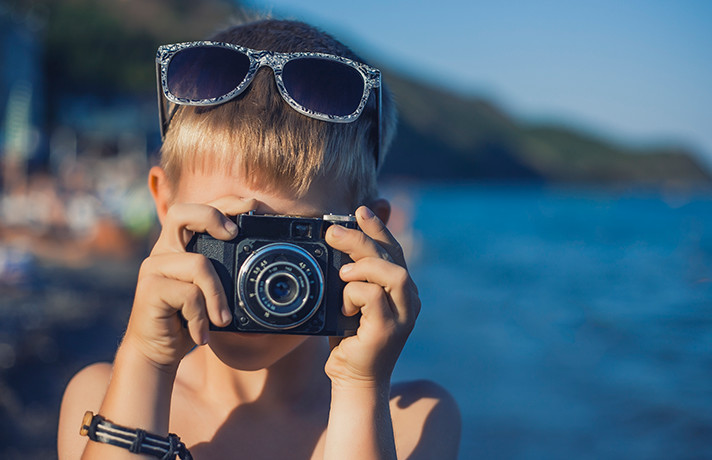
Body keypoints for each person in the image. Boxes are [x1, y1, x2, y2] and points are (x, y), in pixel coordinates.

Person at [57, 19, 461, 459]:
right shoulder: (103, 394)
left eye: (293, 240)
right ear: (166, 207)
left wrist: (359, 387)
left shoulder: (413, 419)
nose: (261, 274)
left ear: (369, 235)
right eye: (227, 228)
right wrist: (148, 360)